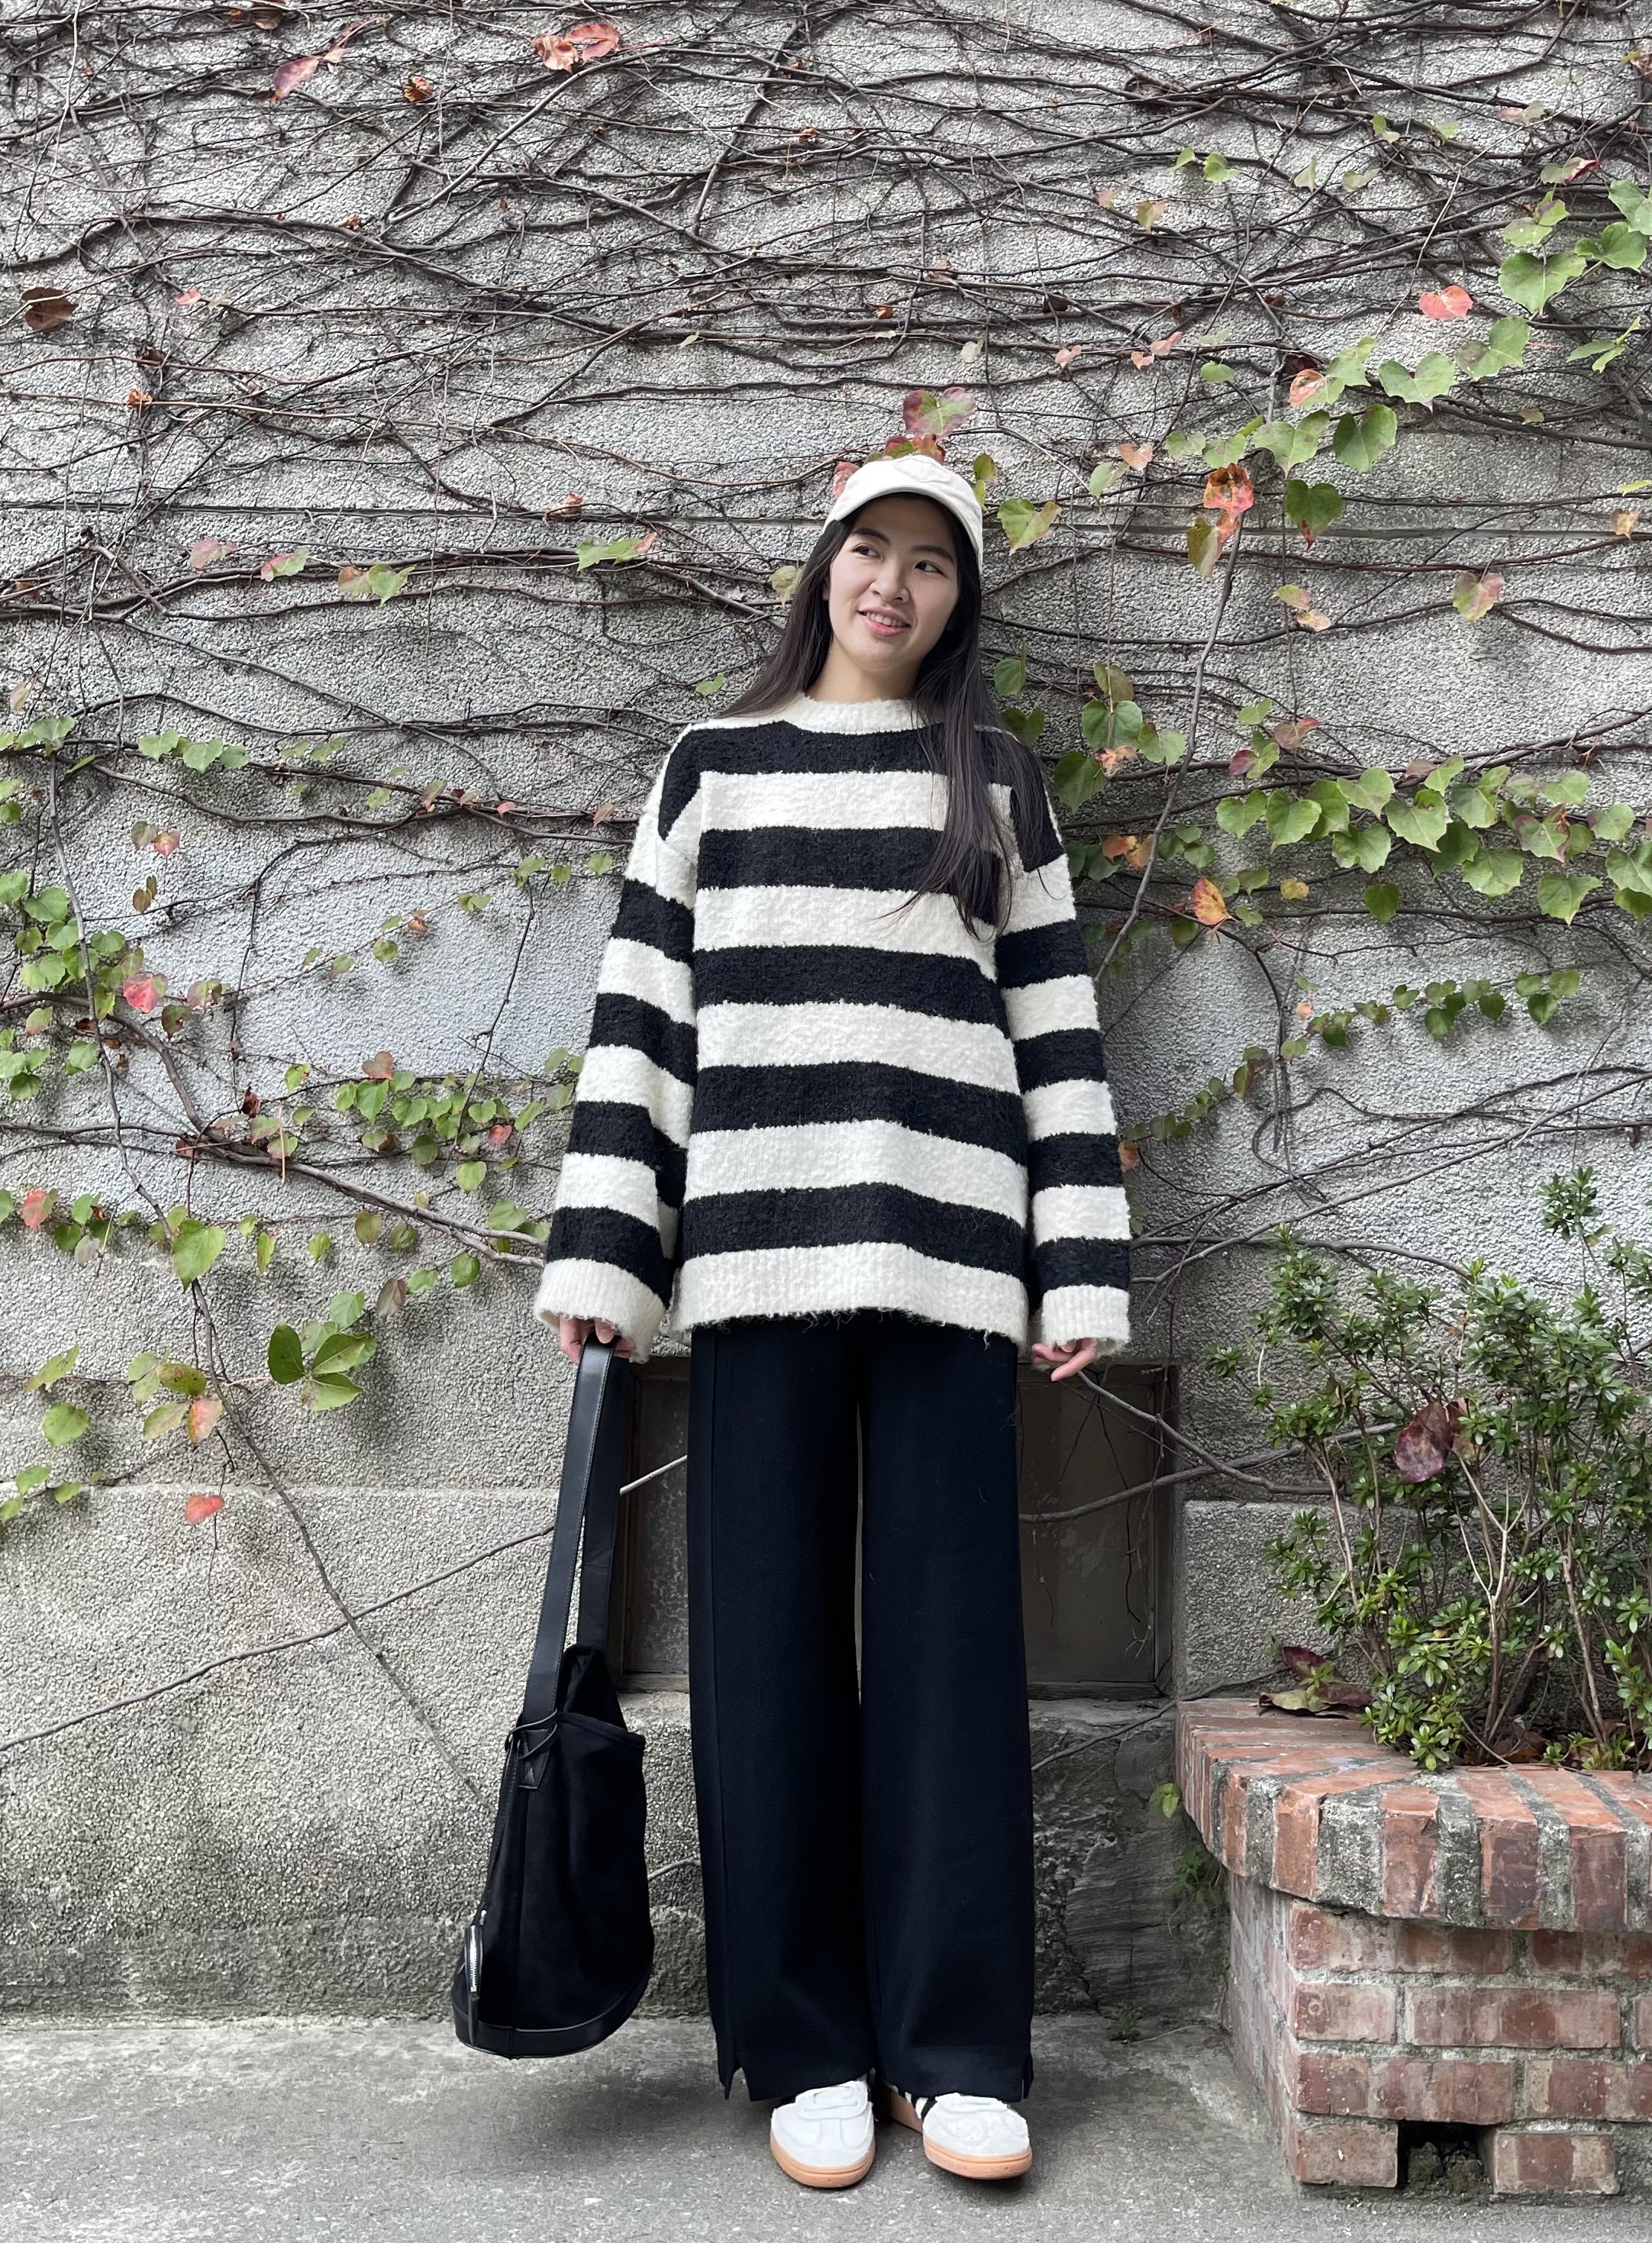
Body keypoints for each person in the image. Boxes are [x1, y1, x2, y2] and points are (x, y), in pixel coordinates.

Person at [532, 451, 1133, 2190]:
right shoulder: (711, 767)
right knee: (764, 1653)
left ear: (959, 602)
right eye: (870, 548)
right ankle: (802, 2045)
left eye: (931, 562)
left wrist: (1080, 1264)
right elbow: (640, 1021)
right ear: (822, 567)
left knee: (953, 1661)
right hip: (751, 1266)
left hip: (953, 1264)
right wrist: (603, 1257)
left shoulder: (996, 784)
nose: (894, 582)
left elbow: (1057, 1038)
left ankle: (955, 2053)